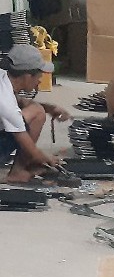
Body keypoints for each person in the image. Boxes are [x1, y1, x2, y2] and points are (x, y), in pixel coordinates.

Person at [0, 44, 72, 183]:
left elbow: (20, 101)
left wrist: (50, 108)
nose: (39, 81)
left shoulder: (3, 78)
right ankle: (17, 174)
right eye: (39, 75)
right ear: (27, 76)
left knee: (36, 108)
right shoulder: (6, 102)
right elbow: (29, 147)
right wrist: (46, 159)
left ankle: (23, 168)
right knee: (37, 112)